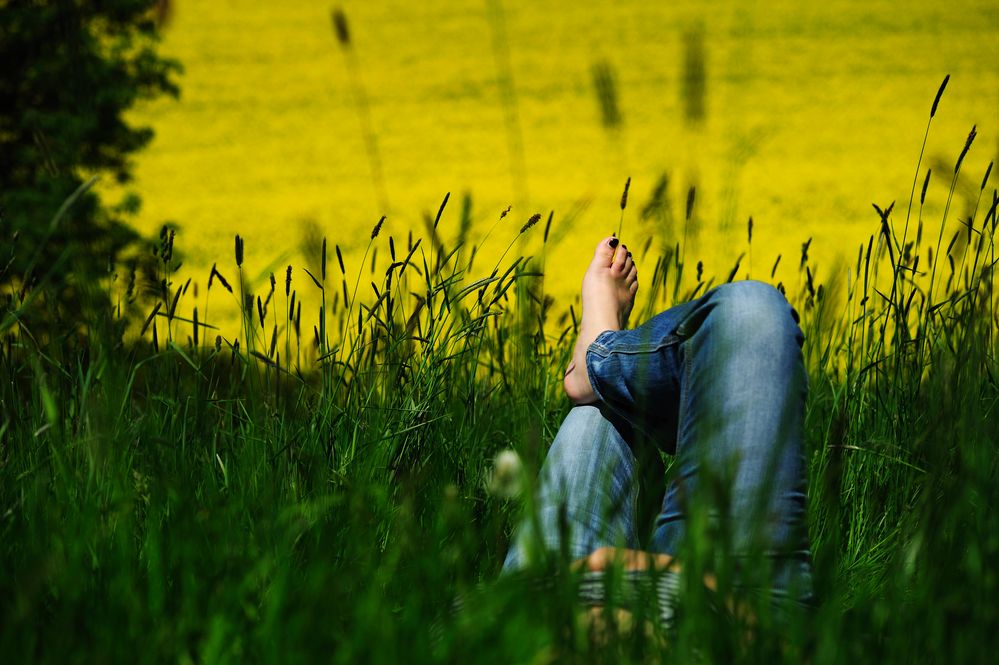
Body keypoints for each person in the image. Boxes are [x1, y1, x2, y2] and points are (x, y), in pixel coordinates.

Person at [501, 236, 813, 623]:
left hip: (537, 615)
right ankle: (600, 364)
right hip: (721, 622)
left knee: (597, 419)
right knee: (750, 312)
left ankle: (598, 364)